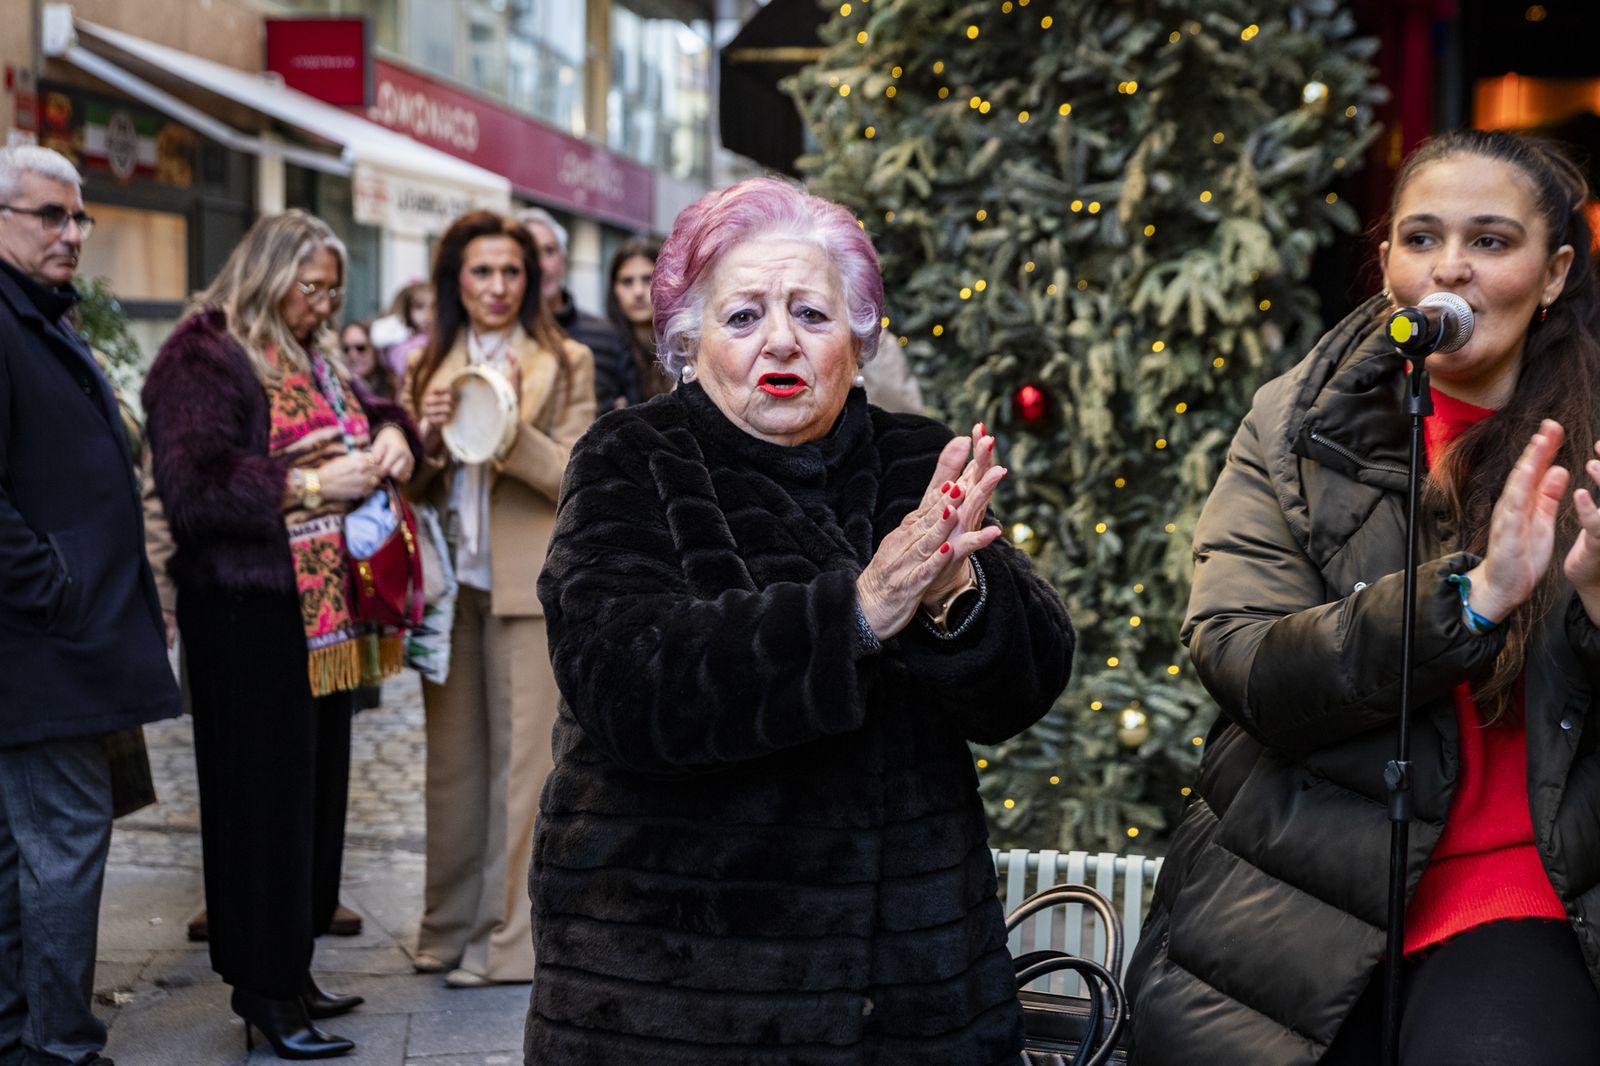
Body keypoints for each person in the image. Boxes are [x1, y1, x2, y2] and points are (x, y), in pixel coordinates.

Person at [525, 176, 1075, 1063]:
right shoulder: (633, 458)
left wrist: (955, 598)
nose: (780, 339)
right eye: (743, 316)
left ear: (857, 341)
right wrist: (856, 613)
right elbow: (625, 682)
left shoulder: (913, 459)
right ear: (688, 343)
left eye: (812, 315)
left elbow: (1025, 686)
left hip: (915, 991)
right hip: (681, 989)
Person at [1125, 129, 1600, 1066]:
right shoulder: (1291, 425)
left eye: (1491, 241)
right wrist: (1469, 602)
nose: (1450, 267)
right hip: (1297, 882)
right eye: (1422, 238)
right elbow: (1243, 657)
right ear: (1387, 266)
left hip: (1522, 886)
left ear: (1552, 274)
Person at [143, 209, 421, 1060]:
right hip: (247, 612)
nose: (326, 305)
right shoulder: (204, 353)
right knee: (258, 805)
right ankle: (262, 989)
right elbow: (194, 487)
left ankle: (292, 965)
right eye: (313, 288)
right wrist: (308, 488)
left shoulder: (311, 354)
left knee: (312, 797)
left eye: (335, 290)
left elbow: (377, 408)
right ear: (268, 274)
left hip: (319, 610)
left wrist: (394, 435)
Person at [0, 143, 180, 1066]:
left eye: (79, 216)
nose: (72, 232)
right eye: (50, 215)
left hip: (62, 635)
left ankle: (20, 1035)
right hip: (43, 640)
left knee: (24, 848)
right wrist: (53, 587)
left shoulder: (39, 312)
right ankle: (61, 1047)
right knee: (64, 843)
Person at [403, 211, 595, 989]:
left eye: (512, 271)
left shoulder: (567, 359)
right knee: (451, 768)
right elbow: (413, 482)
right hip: (449, 584)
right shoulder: (430, 363)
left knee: (523, 771)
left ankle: (509, 945)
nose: (497, 286)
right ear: (457, 280)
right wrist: (425, 439)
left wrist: (509, 427)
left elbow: (577, 474)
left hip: (523, 585)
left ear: (533, 279)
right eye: (481, 271)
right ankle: (447, 928)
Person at [519, 206, 632, 411]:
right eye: (530, 254)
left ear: (563, 260)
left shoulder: (607, 335)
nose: (541, 265)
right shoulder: (508, 335)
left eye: (549, 251)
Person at [604, 237, 674, 402]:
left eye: (648, 279)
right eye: (627, 281)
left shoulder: (686, 347)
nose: (638, 291)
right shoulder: (603, 348)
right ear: (614, 289)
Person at [373, 280, 433, 389]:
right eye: (420, 307)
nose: (428, 313)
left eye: (433, 306)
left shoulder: (437, 335)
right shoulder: (400, 341)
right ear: (405, 309)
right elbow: (403, 366)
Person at [342, 319, 394, 400]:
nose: (352, 355)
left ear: (374, 349)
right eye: (346, 349)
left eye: (360, 348)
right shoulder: (339, 390)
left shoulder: (394, 385)